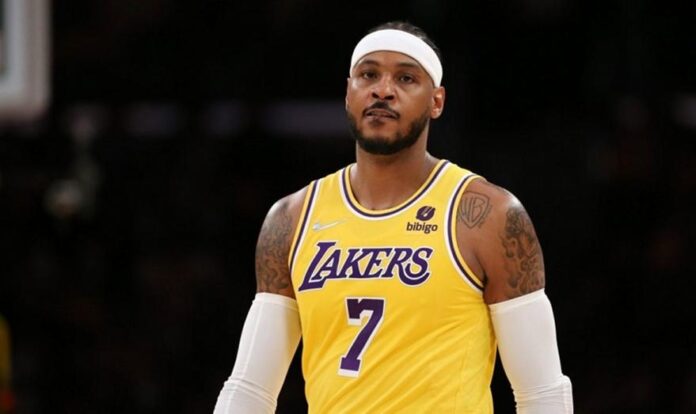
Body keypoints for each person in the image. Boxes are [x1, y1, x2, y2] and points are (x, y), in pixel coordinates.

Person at [214, 21, 573, 413]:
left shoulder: (486, 215)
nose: (383, 90)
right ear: (348, 93)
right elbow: (251, 389)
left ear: (437, 101)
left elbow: (542, 393)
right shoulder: (292, 218)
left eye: (405, 78)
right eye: (368, 75)